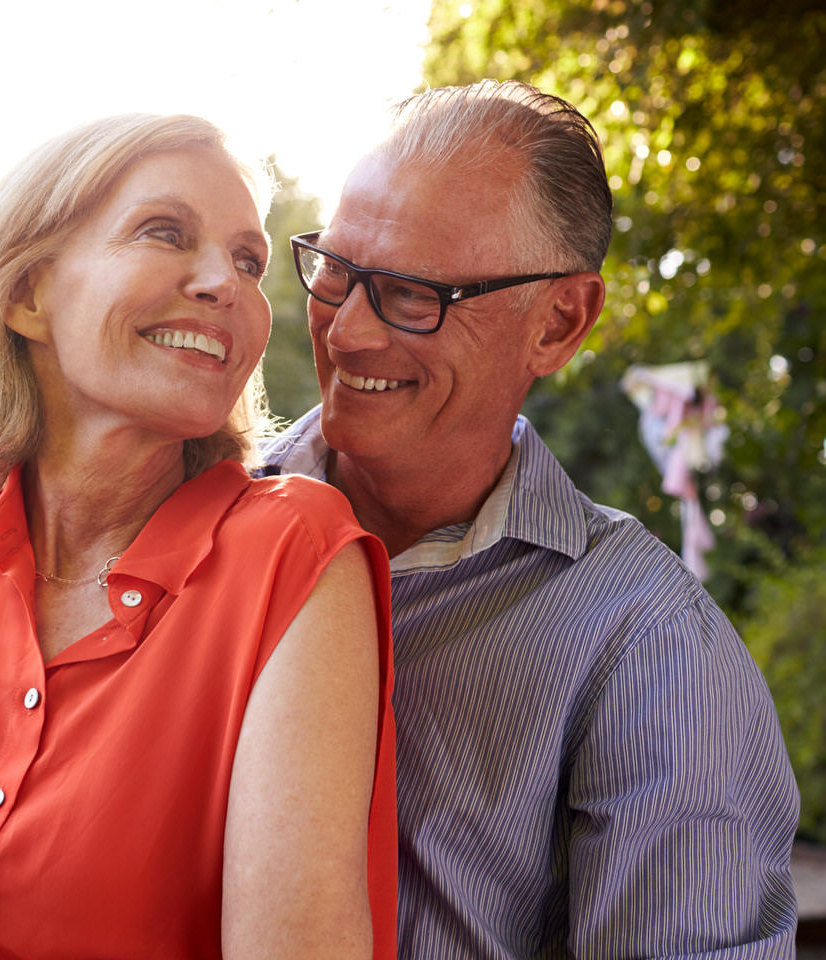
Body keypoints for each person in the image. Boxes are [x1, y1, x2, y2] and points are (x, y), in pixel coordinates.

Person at [0, 113, 398, 959]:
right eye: (166, 233)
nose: (228, 284)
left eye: (248, 261)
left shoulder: (297, 555)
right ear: (28, 295)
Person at [262, 79, 800, 956]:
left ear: (558, 322)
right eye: (335, 270)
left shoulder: (646, 645)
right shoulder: (188, 523)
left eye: (408, 293)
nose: (347, 332)